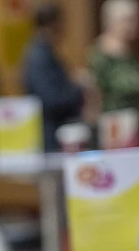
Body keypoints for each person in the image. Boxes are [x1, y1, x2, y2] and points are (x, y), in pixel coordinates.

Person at [23, 4, 89, 151]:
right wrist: (77, 89)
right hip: (49, 136)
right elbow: (50, 98)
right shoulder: (39, 56)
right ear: (54, 23)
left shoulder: (47, 52)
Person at [90, 0, 139, 142]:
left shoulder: (131, 53)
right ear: (110, 22)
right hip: (113, 133)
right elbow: (93, 97)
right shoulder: (100, 56)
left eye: (136, 20)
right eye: (127, 20)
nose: (133, 26)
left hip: (137, 129)